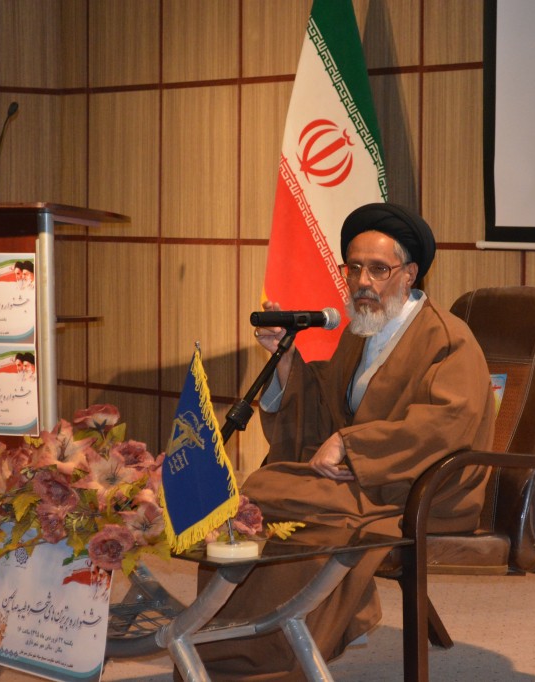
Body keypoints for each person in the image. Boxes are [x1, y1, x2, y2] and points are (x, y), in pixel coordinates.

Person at [192, 202, 496, 680]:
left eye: (378, 269)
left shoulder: (446, 337)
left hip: (424, 490)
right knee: (259, 494)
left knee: (276, 494)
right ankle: (225, 644)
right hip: (370, 482)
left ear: (409, 274)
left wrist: (352, 445)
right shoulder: (361, 330)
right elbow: (328, 407)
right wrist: (285, 360)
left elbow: (446, 423)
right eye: (353, 268)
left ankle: (272, 658)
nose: (362, 282)